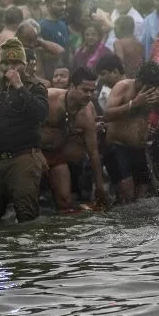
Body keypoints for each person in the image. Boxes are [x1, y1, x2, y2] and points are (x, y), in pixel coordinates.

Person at [0, 38, 49, 223]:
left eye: (16, 62)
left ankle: (27, 251)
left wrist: (19, 86)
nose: (12, 67)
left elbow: (40, 113)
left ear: (24, 64)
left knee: (27, 216)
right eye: (7, 63)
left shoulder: (35, 86)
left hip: (23, 158)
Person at [40, 67, 108, 211]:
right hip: (33, 153)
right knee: (28, 203)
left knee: (65, 203)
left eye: (92, 91)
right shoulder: (49, 98)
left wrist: (100, 186)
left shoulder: (87, 113)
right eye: (85, 90)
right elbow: (25, 127)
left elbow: (93, 152)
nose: (89, 95)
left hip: (57, 156)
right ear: (71, 86)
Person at [103, 60, 159, 202]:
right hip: (118, 147)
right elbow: (107, 115)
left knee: (142, 200)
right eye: (147, 86)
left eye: (154, 87)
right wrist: (134, 103)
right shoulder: (124, 86)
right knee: (126, 196)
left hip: (139, 149)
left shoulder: (156, 90)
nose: (150, 90)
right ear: (139, 81)